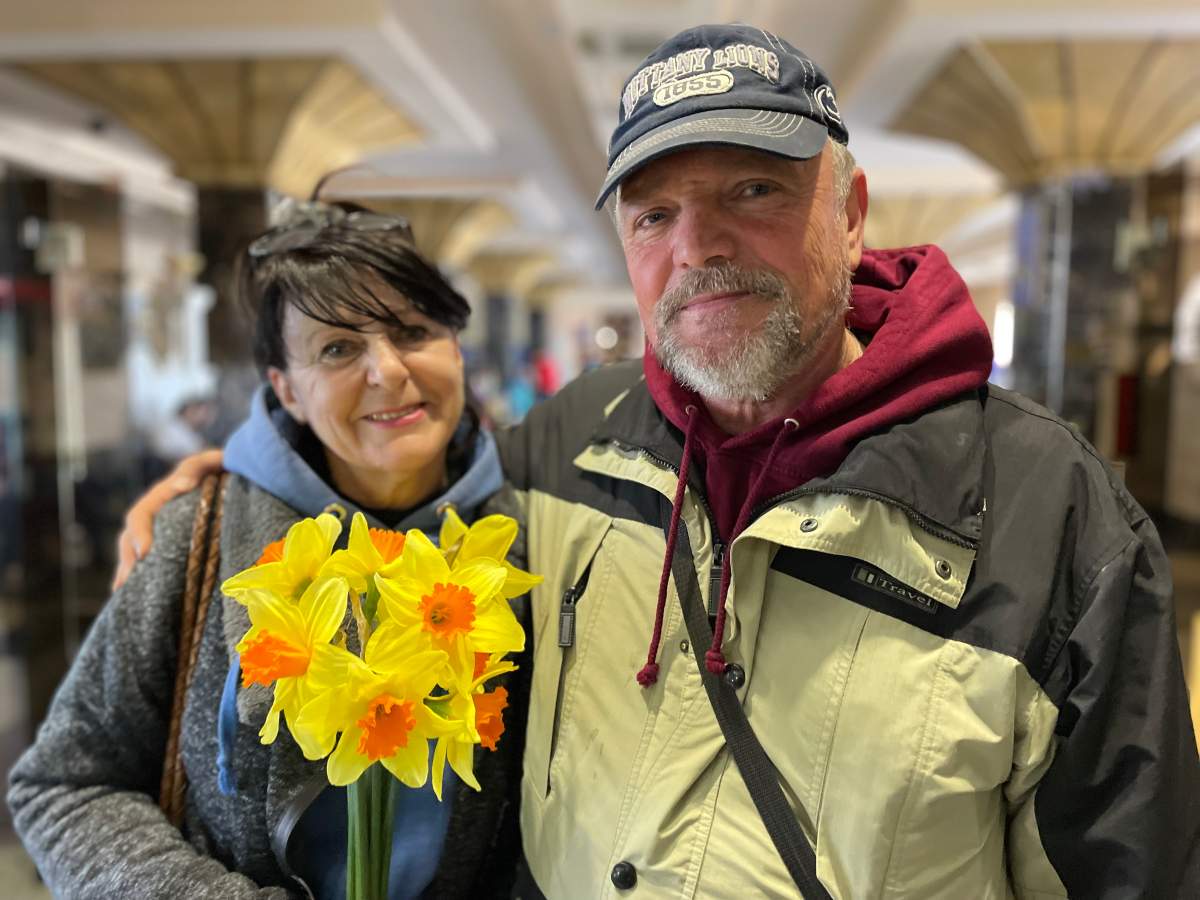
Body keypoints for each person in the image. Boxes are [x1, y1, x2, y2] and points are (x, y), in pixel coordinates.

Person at [107, 24, 1200, 899]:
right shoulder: (560, 445)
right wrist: (242, 471)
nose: (699, 246)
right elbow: (391, 478)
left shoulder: (1053, 519)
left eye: (754, 191)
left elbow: (1130, 866)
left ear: (853, 212)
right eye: (655, 213)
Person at [8, 200, 526, 898]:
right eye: (337, 349)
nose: (388, 370)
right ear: (286, 389)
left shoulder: (530, 534)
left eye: (413, 331)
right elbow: (61, 783)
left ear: (456, 349)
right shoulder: (205, 535)